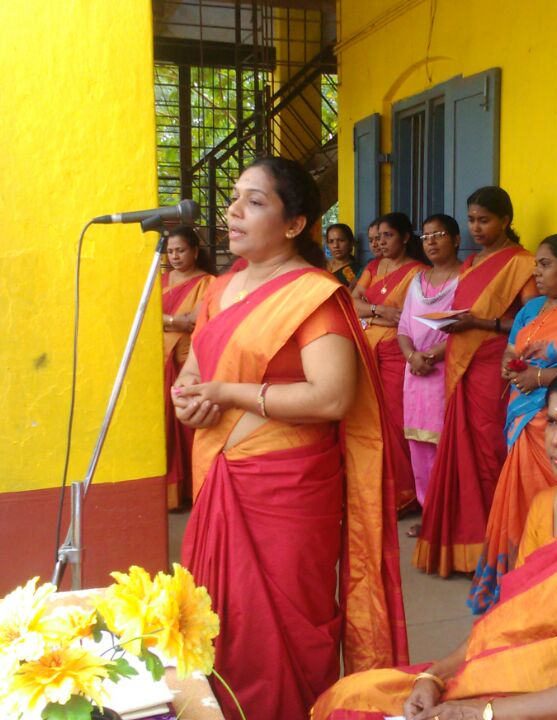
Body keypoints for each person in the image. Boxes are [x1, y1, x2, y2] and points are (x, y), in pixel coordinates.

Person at [314, 364, 557, 720]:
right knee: (350, 696)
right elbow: (510, 621)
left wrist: (483, 712)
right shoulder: (547, 505)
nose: (556, 440)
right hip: (514, 674)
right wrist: (434, 677)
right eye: (552, 422)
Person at [173, 157, 409, 720]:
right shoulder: (218, 290)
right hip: (220, 472)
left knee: (286, 622)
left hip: (287, 488)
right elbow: (194, 371)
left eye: (255, 201)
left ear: (295, 224)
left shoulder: (314, 294)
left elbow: (331, 397)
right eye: (235, 197)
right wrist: (189, 400)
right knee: (221, 615)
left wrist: (227, 393)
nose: (234, 211)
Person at [468, 232, 557, 614]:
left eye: (545, 265)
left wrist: (541, 378)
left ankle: (555, 585)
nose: (537, 273)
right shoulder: (531, 309)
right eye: (536, 266)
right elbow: (512, 348)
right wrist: (509, 366)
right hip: (523, 415)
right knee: (522, 504)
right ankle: (516, 581)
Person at [414, 186, 538, 576]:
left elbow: (532, 323)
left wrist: (478, 322)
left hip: (492, 367)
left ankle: (496, 548)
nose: (476, 228)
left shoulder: (522, 263)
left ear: (506, 220)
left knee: (489, 450)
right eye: (471, 220)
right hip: (460, 364)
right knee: (461, 450)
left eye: (484, 220)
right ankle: (464, 545)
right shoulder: (470, 263)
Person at [352, 211, 427, 509]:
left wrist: (368, 311)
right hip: (365, 350)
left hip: (397, 352)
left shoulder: (419, 272)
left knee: (395, 419)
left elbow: (409, 318)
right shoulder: (373, 267)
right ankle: (374, 489)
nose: (381, 242)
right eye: (378, 237)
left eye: (388, 235)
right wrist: (379, 312)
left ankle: (405, 493)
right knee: (368, 418)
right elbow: (351, 302)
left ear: (405, 237)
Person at [397, 214, 463, 535]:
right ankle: (429, 513)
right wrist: (412, 356)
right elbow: (403, 326)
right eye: (425, 237)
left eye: (438, 235)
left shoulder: (466, 278)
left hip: (444, 370)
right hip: (415, 371)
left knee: (445, 446)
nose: (431, 242)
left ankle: (449, 517)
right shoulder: (417, 281)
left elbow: (464, 328)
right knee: (418, 446)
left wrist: (431, 355)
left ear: (456, 240)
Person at [160, 225, 214, 510]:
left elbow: (194, 321)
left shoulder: (208, 283)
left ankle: (191, 491)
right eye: (170, 251)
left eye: (181, 250)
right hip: (157, 361)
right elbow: (144, 315)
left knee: (187, 426)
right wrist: (173, 321)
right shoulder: (160, 281)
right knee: (164, 428)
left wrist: (162, 320)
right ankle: (167, 494)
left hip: (188, 361)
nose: (175, 256)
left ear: (195, 250)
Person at [325, 222, 359, 287]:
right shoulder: (323, 265)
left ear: (351, 242)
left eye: (341, 240)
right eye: (331, 241)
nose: (335, 245)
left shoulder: (354, 272)